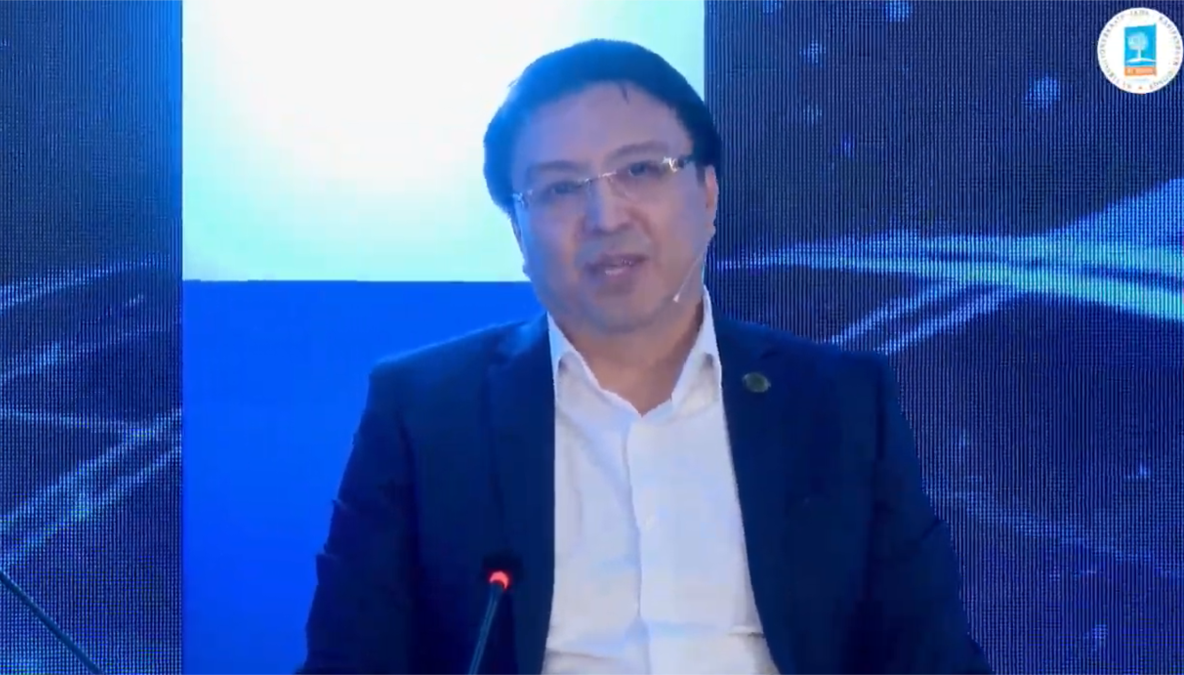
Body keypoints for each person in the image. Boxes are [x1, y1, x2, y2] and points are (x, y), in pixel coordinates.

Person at [300, 39, 991, 675]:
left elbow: (933, 659)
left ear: (708, 192)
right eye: (560, 188)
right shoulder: (426, 412)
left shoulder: (836, 402)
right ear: (518, 231)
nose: (605, 217)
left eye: (640, 170)